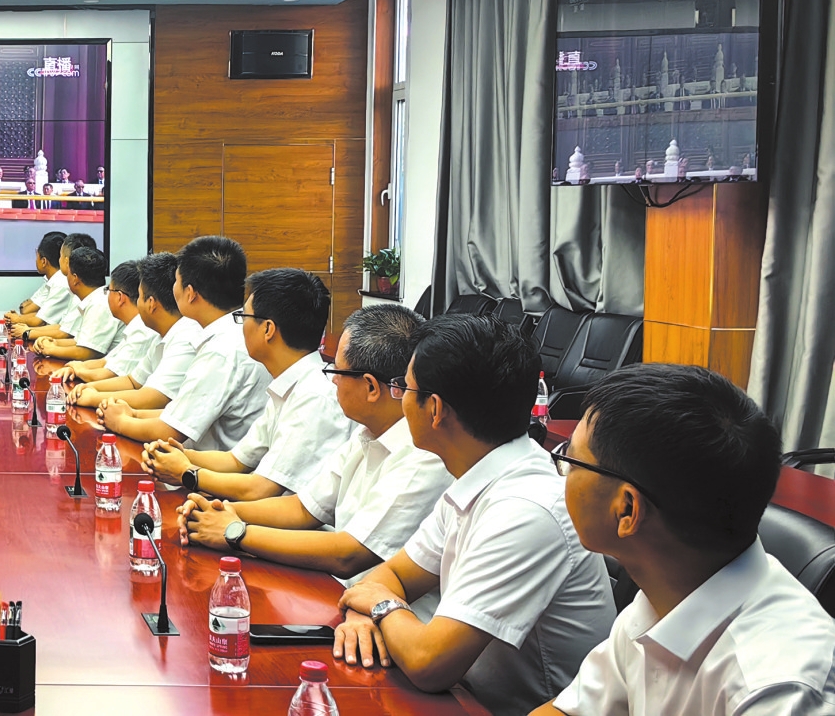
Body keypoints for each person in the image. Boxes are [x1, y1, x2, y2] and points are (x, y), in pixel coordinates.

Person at [332, 315, 613, 716]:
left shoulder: (526, 510)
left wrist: (380, 608)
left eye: (404, 388)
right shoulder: (478, 472)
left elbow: (429, 663)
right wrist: (364, 614)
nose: (400, 398)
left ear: (435, 409)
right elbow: (390, 576)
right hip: (462, 698)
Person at [538, 363, 835, 716]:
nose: (563, 472)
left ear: (628, 509)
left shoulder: (777, 692)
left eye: (571, 460)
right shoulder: (669, 589)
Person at [175, 304, 450, 585]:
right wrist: (219, 512)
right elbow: (304, 508)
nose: (333, 381)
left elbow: (349, 554)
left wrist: (235, 532)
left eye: (337, 371)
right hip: (336, 590)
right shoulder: (368, 432)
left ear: (370, 387)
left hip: (370, 605)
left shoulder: (425, 455)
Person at [135, 268, 348, 499]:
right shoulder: (288, 386)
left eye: (244, 317)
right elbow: (236, 460)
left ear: (268, 329)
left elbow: (261, 489)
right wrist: (173, 453)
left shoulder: (314, 397)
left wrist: (186, 472)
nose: (241, 327)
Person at [81, 235, 242, 413]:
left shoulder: (191, 336)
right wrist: (90, 389)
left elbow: (155, 398)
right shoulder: (166, 333)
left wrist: (95, 398)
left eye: (178, 282)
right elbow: (134, 381)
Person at [51, 259, 160, 385]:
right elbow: (106, 361)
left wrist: (78, 370)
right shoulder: (133, 326)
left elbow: (108, 375)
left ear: (120, 297)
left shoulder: (143, 331)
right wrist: (75, 366)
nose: (106, 295)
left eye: (108, 289)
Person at [29, 248, 125, 361]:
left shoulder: (100, 304)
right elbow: (79, 341)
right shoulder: (95, 298)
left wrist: (50, 349)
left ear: (75, 279)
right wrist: (52, 341)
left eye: (68, 273)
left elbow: (87, 352)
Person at [5, 232, 72, 328]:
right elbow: (25, 310)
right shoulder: (51, 280)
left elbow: (40, 321)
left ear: (44, 261)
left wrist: (17, 319)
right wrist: (19, 317)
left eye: (37, 255)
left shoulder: (61, 282)